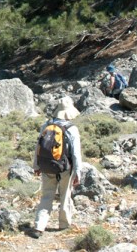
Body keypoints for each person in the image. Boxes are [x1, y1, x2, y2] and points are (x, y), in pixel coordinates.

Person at [28, 97, 82, 239]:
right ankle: (64, 225)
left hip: (47, 166)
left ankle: (39, 226)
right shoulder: (72, 129)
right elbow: (76, 154)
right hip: (65, 168)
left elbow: (38, 148)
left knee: (46, 195)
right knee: (65, 196)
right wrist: (77, 173)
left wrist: (36, 165)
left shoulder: (46, 125)